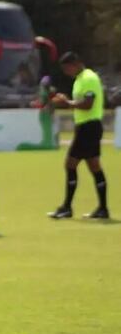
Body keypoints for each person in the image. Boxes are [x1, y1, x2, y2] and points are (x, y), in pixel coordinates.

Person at [48, 52, 110, 219]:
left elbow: (88, 104)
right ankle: (103, 209)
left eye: (67, 68)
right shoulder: (79, 80)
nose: (67, 72)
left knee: (70, 164)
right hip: (87, 127)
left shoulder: (88, 78)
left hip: (88, 127)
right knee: (94, 166)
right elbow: (80, 103)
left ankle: (67, 208)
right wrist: (68, 101)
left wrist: (67, 103)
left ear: (76, 63)